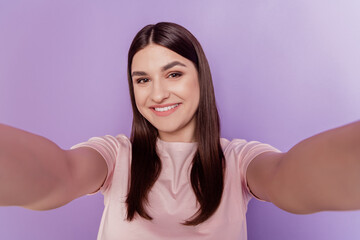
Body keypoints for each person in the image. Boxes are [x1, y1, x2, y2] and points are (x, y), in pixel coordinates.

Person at [0, 22, 359, 240]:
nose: (157, 94)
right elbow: (59, 174)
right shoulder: (115, 155)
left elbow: (286, 177)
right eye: (142, 80)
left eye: (173, 74)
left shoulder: (237, 161)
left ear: (200, 77)